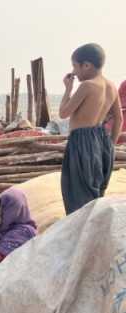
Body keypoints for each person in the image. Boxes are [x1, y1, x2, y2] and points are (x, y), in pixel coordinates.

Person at [59, 43, 122, 215]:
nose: (74, 71)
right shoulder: (110, 86)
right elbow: (119, 118)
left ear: (86, 65)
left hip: (81, 142)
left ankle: (83, 237)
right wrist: (110, 146)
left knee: (78, 196)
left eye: (75, 66)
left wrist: (68, 89)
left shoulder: (87, 86)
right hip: (102, 139)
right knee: (95, 193)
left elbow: (63, 113)